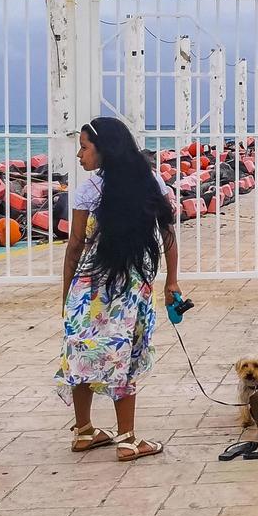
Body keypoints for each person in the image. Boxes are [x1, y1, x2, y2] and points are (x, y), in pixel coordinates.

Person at [55, 117, 180, 461]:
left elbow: (75, 246)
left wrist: (68, 296)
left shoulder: (88, 191)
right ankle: (127, 439)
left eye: (84, 147)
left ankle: (84, 431)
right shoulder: (149, 181)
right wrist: (171, 281)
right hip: (131, 284)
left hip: (89, 285)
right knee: (124, 352)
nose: (80, 155)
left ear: (105, 149)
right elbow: (167, 234)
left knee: (81, 350)